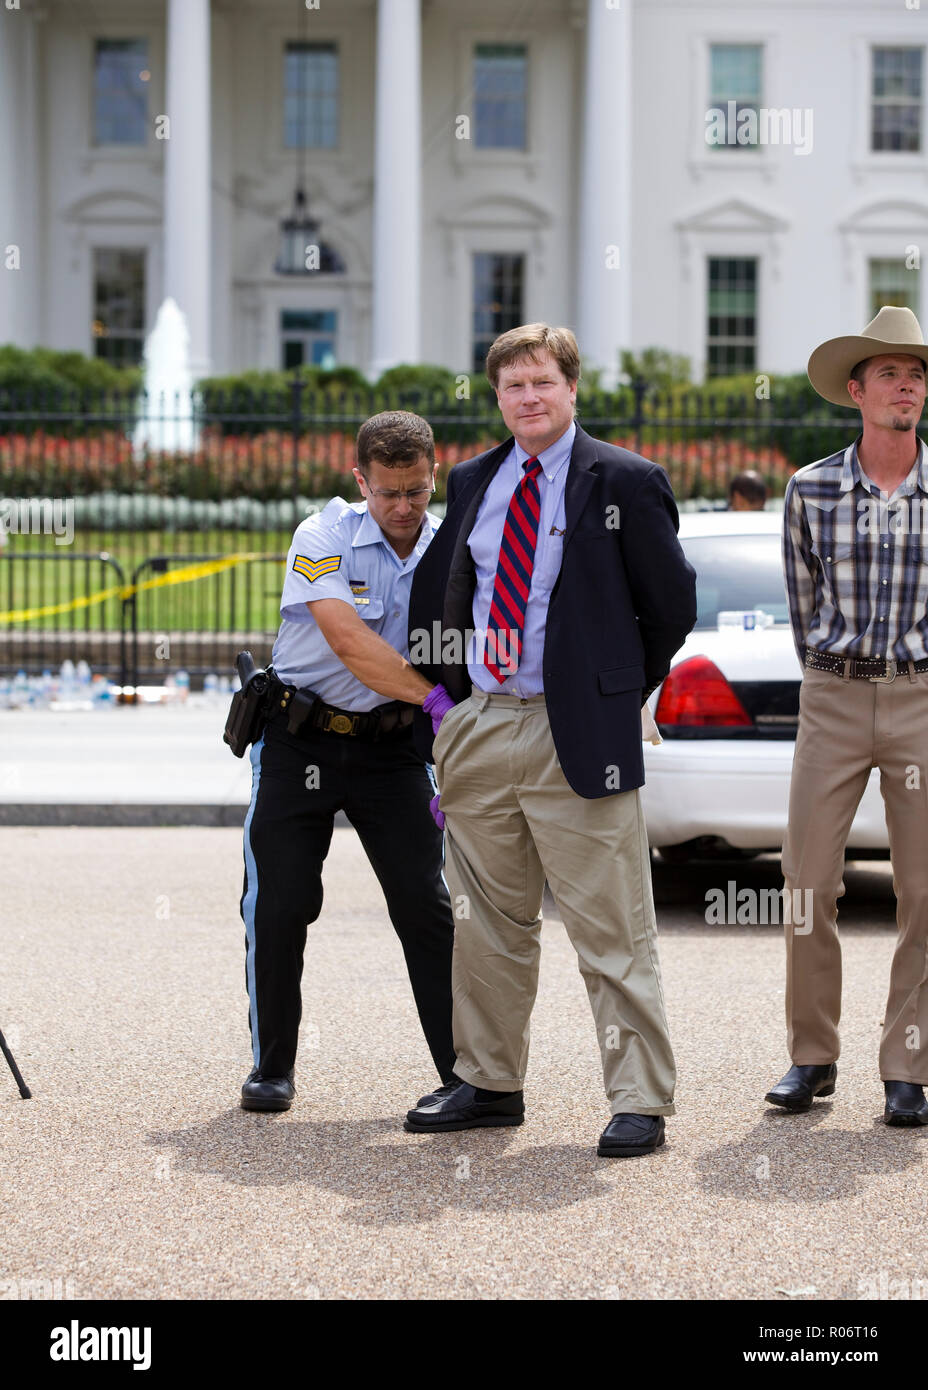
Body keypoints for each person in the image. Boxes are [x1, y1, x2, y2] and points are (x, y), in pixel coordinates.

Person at [403, 323, 697, 1157]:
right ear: (496, 397)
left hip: (580, 734)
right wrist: (455, 708)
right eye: (511, 387)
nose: (528, 398)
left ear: (572, 388)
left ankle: (640, 1098)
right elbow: (443, 597)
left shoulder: (627, 481)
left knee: (612, 926)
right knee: (486, 923)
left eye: (542, 383)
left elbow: (671, 606)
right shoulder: (472, 480)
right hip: (486, 724)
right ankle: (490, 1082)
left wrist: (610, 691)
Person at [238, 410, 458, 1112]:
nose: (402, 508)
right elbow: (349, 643)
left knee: (426, 905)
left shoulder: (452, 542)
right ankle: (272, 1068)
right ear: (360, 479)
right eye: (388, 491)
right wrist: (441, 705)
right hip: (299, 737)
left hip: (392, 747)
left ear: (434, 476)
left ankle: (463, 1075)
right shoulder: (321, 536)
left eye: (417, 492)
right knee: (281, 903)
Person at [766, 305, 928, 1126]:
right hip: (831, 695)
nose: (907, 387)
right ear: (857, 391)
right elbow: (803, 609)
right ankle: (811, 1057)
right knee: (806, 884)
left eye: (917, 375)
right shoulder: (811, 489)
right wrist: (836, 677)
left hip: (923, 699)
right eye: (891, 374)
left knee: (925, 890)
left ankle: (908, 1065)